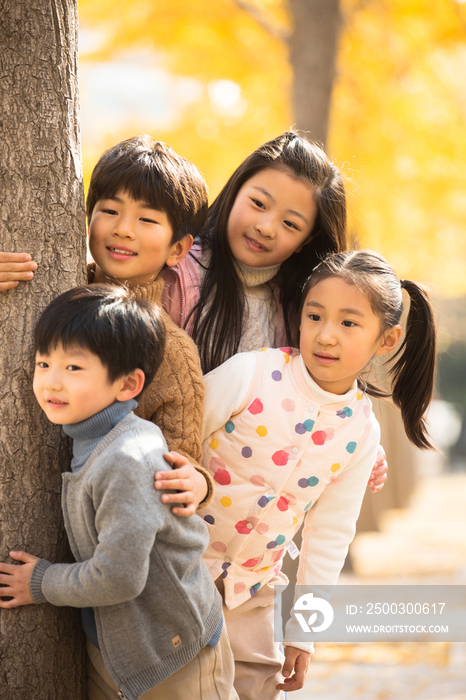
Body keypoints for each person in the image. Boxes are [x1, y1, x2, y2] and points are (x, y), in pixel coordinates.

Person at [191, 250, 437, 699]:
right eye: (315, 315)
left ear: (386, 339)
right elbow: (177, 439)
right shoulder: (253, 374)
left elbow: (328, 537)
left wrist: (304, 633)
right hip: (180, 569)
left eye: (348, 323)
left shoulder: (361, 433)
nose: (326, 335)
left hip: (254, 591)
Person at [0, 284, 238, 700]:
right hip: (124, 646)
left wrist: (42, 582)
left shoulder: (127, 458)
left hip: (176, 652)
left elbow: (120, 576)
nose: (51, 382)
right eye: (43, 363)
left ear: (128, 385)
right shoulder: (92, 437)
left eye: (73, 368)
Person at [158, 131, 386, 493]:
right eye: (259, 204)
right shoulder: (175, 272)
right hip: (162, 473)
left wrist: (352, 442)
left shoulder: (301, 311)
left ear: (306, 241)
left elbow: (314, 391)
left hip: (239, 507)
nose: (265, 227)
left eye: (290, 224)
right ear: (236, 190)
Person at [0, 135, 214, 515]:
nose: (124, 229)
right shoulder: (51, 286)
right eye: (110, 211)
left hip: (102, 523)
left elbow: (182, 460)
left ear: (178, 249)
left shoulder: (171, 349)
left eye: (147, 219)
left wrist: (198, 482)